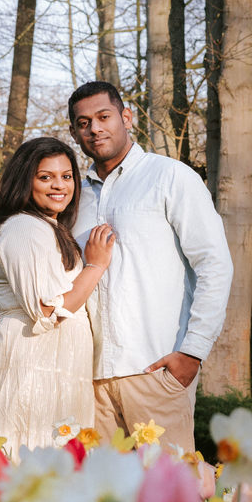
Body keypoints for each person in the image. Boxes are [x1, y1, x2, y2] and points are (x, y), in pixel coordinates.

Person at [68, 81, 232, 454]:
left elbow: (215, 264)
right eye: (83, 122)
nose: (94, 128)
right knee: (104, 501)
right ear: (75, 132)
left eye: (103, 117)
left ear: (126, 117)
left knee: (171, 495)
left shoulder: (171, 177)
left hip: (155, 369)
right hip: (88, 380)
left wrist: (192, 352)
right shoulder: (74, 198)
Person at [0, 136, 116, 460]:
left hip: (53, 372)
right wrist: (95, 265)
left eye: (66, 176)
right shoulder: (24, 227)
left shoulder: (48, 228)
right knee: (23, 469)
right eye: (45, 177)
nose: (59, 186)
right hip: (30, 373)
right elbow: (47, 309)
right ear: (25, 180)